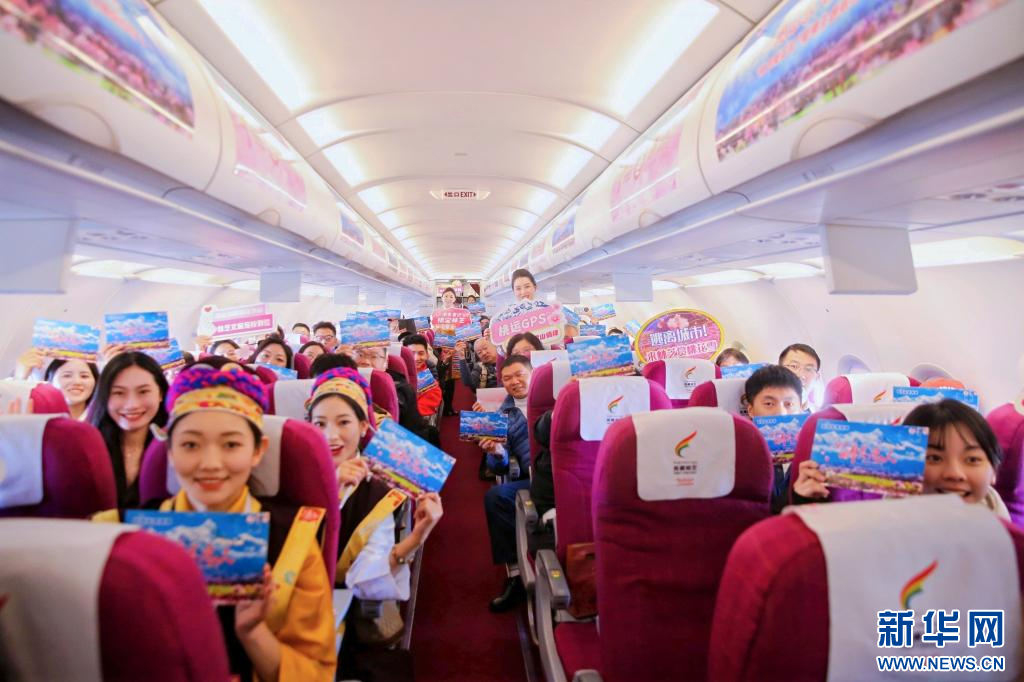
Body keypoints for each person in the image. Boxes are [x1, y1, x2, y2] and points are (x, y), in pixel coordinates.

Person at [160, 365, 335, 681]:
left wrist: (253, 631)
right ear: (170, 452)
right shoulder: (131, 535)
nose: (210, 464)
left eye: (231, 445)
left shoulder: (292, 539)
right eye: (190, 445)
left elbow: (316, 671)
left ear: (258, 451)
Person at [306, 368, 443, 679]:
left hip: (343, 613)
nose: (331, 435)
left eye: (343, 422)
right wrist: (327, 489)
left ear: (364, 426)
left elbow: (367, 576)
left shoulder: (378, 487)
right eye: (319, 424)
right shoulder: (289, 477)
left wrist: (417, 536)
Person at [794, 399, 1009, 519]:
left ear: (994, 471)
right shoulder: (884, 524)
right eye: (934, 458)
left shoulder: (1000, 521)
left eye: (972, 460)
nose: (955, 474)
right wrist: (807, 503)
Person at [479, 355, 533, 612]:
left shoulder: (562, 399)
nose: (514, 382)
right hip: (535, 480)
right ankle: (515, 574)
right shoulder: (502, 414)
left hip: (573, 474)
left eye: (519, 374)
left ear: (533, 373)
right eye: (507, 378)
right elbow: (499, 467)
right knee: (496, 497)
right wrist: (497, 452)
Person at [87, 352, 168, 508]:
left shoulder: (176, 447)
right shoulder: (87, 449)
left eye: (143, 392)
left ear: (160, 394)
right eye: (119, 393)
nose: (132, 405)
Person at [742, 365, 804, 513]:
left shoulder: (812, 452)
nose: (781, 413)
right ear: (751, 410)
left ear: (801, 408)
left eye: (789, 404)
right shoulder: (740, 453)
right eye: (769, 404)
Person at [355, 345, 437, 443]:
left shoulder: (403, 390)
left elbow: (415, 434)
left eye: (374, 356)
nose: (365, 361)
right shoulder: (341, 383)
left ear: (385, 363)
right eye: (360, 355)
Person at [402, 334, 442, 419]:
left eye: (421, 353)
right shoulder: (396, 373)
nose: (416, 358)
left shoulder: (425, 377)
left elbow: (429, 402)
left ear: (427, 354)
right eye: (411, 354)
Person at [779, 343, 821, 411]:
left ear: (817, 378)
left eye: (808, 369)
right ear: (779, 370)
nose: (801, 375)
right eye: (794, 366)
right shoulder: (765, 412)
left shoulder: (821, 415)